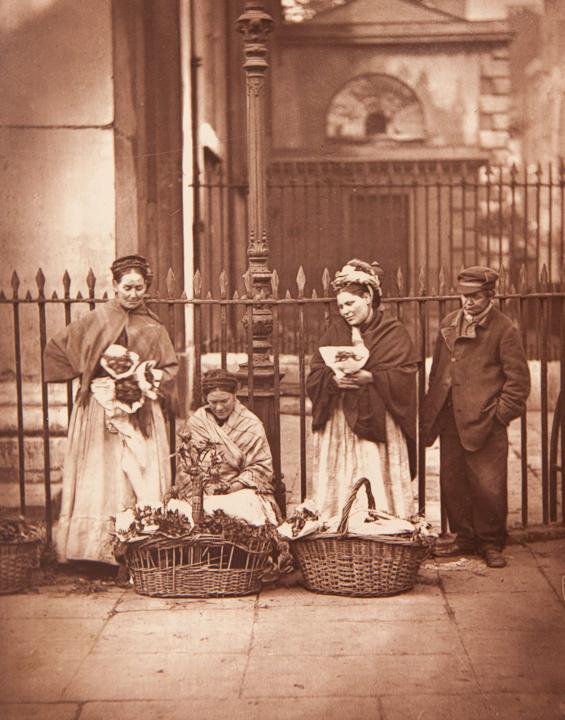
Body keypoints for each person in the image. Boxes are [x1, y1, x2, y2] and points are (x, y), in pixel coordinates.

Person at [44, 254, 178, 565]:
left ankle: (136, 545)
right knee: (100, 472)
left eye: (139, 288)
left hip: (139, 410)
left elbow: (170, 368)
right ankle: (93, 549)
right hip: (99, 411)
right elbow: (57, 350)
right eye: (127, 287)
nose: (133, 294)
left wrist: (145, 377)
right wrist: (91, 375)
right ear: (114, 285)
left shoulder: (153, 328)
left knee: (137, 472)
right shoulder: (97, 320)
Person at [422, 265, 530, 568]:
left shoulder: (504, 329)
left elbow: (518, 383)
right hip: (451, 418)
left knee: (489, 485)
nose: (468, 302)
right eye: (463, 296)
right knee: (453, 481)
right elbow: (437, 372)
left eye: (475, 297)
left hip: (485, 421)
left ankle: (491, 542)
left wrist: (498, 416)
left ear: (490, 296)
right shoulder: (449, 324)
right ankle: (464, 537)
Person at [306, 259, 418, 519]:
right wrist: (332, 381)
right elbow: (315, 372)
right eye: (341, 306)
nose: (345, 311)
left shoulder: (393, 332)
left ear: (368, 297)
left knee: (373, 473)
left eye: (350, 303)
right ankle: (339, 524)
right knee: (342, 477)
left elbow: (405, 374)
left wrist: (373, 377)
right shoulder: (335, 331)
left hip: (379, 422)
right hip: (340, 422)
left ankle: (382, 524)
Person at [181, 369, 280, 519]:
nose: (219, 408)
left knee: (244, 512)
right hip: (201, 491)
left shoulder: (251, 424)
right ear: (205, 399)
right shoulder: (197, 422)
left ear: (234, 396)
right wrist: (203, 487)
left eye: (224, 401)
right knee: (188, 513)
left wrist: (233, 487)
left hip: (239, 491)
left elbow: (260, 467)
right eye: (213, 402)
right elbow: (186, 464)